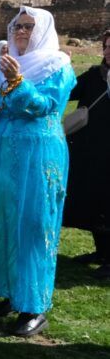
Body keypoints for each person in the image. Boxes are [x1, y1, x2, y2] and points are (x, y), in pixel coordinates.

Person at [0, 5, 76, 337]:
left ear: (43, 30)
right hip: (1, 154)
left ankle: (34, 306)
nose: (21, 32)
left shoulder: (58, 65)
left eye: (28, 26)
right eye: (17, 26)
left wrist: (18, 82)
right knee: (1, 221)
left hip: (38, 153)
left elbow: (43, 107)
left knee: (33, 225)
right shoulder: (3, 68)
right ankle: (6, 293)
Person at [63, 29, 110, 278]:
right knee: (96, 200)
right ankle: (101, 252)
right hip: (92, 149)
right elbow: (69, 92)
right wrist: (64, 69)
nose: (109, 51)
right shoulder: (94, 75)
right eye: (107, 47)